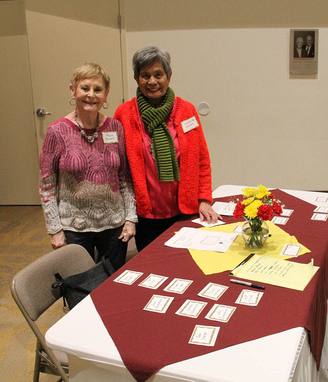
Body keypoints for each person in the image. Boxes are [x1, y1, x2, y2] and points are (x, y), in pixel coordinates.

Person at [114, 46, 220, 252]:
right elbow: (116, 166)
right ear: (136, 79)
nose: (152, 81)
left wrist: (205, 200)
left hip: (184, 211)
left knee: (184, 264)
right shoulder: (124, 114)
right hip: (145, 215)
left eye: (158, 74)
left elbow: (202, 160)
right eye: (145, 75)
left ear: (169, 77)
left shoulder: (186, 110)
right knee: (150, 263)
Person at [39, 63, 137, 271]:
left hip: (114, 225)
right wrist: (55, 230)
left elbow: (125, 178)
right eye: (85, 88)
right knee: (79, 285)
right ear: (73, 90)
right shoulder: (57, 132)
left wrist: (130, 218)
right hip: (73, 227)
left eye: (98, 89)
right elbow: (47, 185)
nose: (91, 95)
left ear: (106, 94)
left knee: (111, 284)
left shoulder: (115, 128)